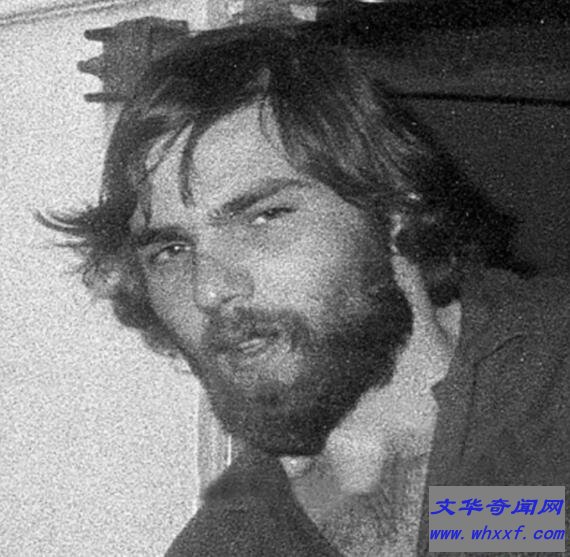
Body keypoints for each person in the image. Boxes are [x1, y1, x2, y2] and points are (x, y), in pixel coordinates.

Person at [42, 23, 569, 556]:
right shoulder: (233, 545)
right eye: (172, 250)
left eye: (264, 217)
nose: (210, 289)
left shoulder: (551, 384)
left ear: (392, 210)